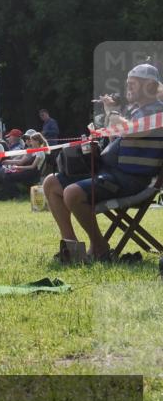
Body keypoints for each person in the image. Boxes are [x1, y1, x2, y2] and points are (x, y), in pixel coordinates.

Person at [43, 63, 163, 263]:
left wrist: (113, 114)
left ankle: (100, 248)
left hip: (134, 179)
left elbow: (132, 131)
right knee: (50, 183)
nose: (128, 88)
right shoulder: (139, 110)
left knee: (72, 192)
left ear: (149, 86)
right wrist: (109, 118)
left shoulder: (158, 111)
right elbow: (120, 137)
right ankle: (72, 249)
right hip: (113, 172)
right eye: (128, 84)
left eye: (133, 84)